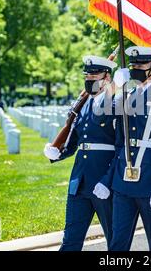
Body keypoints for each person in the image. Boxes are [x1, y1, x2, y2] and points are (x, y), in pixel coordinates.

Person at [44, 56, 117, 251]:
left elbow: (121, 148)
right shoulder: (82, 105)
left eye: (95, 74)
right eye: (88, 74)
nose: (90, 78)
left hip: (103, 183)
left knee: (115, 241)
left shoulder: (116, 104)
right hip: (79, 182)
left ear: (107, 78)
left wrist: (108, 181)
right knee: (71, 240)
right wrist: (57, 152)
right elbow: (75, 141)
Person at [108, 46, 151, 251]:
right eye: (133, 65)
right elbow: (118, 140)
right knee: (118, 244)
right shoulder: (124, 97)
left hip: (150, 183)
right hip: (123, 182)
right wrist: (114, 86)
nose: (136, 68)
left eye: (141, 64)